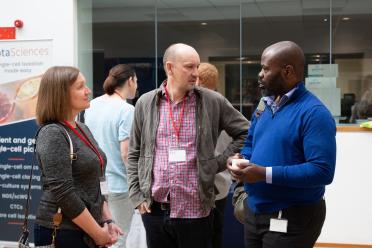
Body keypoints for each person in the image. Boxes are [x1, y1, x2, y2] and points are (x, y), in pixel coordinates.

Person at [127, 43, 249, 248]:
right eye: (189, 67)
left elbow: (246, 132)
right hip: (155, 210)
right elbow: (134, 153)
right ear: (169, 67)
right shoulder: (146, 103)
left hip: (196, 210)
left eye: (197, 67)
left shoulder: (212, 100)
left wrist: (217, 162)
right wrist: (136, 196)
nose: (195, 73)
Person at [227, 41, 336, 248]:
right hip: (255, 210)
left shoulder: (314, 113)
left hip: (293, 216)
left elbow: (322, 171)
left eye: (266, 68)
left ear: (288, 71)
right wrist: (239, 160)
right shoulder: (265, 104)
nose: (260, 74)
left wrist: (263, 173)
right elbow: (251, 142)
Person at [34, 66, 123, 248]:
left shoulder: (82, 128)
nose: (88, 90)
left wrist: (107, 221)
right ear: (61, 94)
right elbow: (64, 192)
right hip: (62, 231)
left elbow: (96, 182)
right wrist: (97, 233)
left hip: (87, 229)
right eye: (80, 86)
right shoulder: (53, 133)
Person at [85, 64, 138, 248]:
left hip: (95, 183)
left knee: (101, 238)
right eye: (136, 81)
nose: (136, 86)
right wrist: (136, 183)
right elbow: (126, 153)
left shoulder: (91, 105)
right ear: (130, 80)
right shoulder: (126, 110)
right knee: (118, 238)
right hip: (120, 184)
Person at [196, 62, 233, 248]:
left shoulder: (205, 106)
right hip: (221, 184)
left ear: (198, 80)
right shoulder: (225, 105)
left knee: (201, 235)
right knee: (216, 233)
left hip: (208, 185)